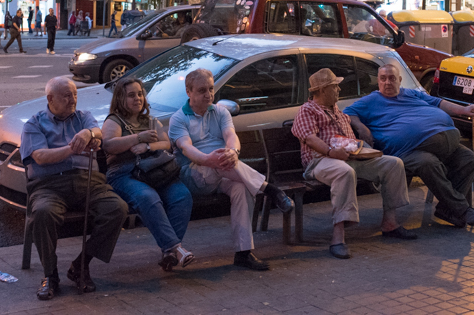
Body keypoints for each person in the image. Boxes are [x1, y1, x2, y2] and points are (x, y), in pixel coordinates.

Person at [168, 68, 293, 271]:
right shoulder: (179, 118)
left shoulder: (220, 112)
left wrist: (234, 152)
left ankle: (243, 253)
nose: (208, 94)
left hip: (224, 172)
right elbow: (186, 148)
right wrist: (209, 160)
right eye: (202, 90)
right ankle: (270, 189)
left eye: (211, 89)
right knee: (221, 161)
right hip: (193, 173)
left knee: (241, 189)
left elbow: (230, 135)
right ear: (188, 92)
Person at [20, 76, 128, 300]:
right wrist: (73, 148)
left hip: (87, 180)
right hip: (49, 184)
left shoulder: (83, 117)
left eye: (75, 95)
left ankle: (80, 265)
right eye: (66, 96)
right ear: (50, 99)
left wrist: (88, 134)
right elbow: (39, 156)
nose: (73, 100)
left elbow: (97, 130)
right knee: (42, 213)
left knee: (117, 208)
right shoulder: (34, 124)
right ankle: (50, 274)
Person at [292, 68, 416, 260]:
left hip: (349, 158)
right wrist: (331, 152)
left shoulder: (337, 111)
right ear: (323, 90)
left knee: (393, 164)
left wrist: (362, 149)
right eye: (335, 86)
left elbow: (349, 138)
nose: (339, 90)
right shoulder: (308, 110)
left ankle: (390, 223)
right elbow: (309, 138)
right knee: (344, 172)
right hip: (320, 161)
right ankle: (338, 237)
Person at [345, 63, 474, 229]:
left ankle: (447, 210)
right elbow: (346, 113)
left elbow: (439, 103)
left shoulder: (411, 93)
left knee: (468, 159)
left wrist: (464, 110)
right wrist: (361, 127)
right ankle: (461, 209)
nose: (387, 82)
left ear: (399, 80)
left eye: (392, 78)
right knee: (428, 163)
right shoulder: (371, 100)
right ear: (378, 81)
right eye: (383, 78)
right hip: (405, 151)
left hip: (442, 143)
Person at [102, 77, 194, 271]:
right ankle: (176, 248)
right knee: (148, 197)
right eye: (131, 95)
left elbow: (166, 143)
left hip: (153, 171)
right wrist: (137, 137)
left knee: (182, 196)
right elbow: (109, 145)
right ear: (120, 98)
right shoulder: (114, 121)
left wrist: (147, 146)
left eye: (140, 94)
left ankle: (169, 253)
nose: (137, 98)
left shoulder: (150, 120)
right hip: (124, 174)